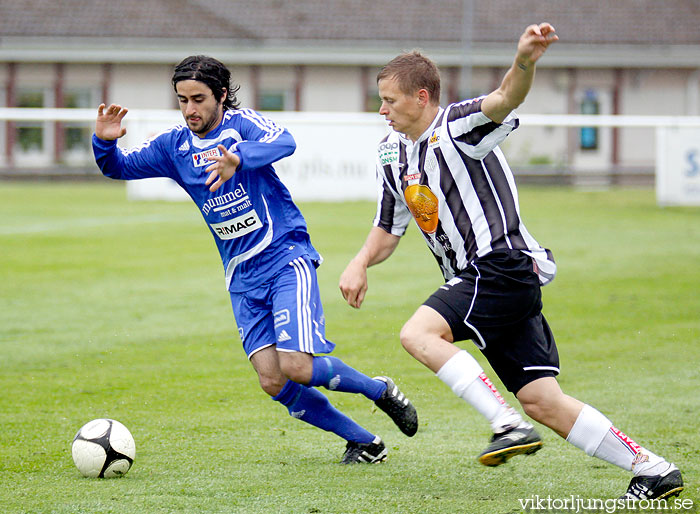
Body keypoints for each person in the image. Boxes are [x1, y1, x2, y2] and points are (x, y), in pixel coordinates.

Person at [339, 24, 684, 499]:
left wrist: (525, 61)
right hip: (487, 282)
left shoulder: (457, 125)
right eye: (379, 100)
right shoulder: (391, 155)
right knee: (543, 401)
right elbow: (388, 227)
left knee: (418, 334)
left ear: (421, 97)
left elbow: (504, 98)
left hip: (499, 266)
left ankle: (505, 425)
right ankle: (653, 469)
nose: (382, 110)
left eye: (390, 101)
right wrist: (359, 263)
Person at [92, 55, 418, 464]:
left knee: (297, 365)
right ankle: (365, 442)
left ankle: (378, 389)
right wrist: (104, 142)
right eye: (182, 100)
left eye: (199, 98)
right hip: (241, 277)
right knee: (272, 379)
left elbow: (285, 142)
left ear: (222, 96)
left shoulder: (242, 126)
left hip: (285, 258)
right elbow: (117, 167)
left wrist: (238, 158)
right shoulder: (173, 146)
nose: (190, 109)